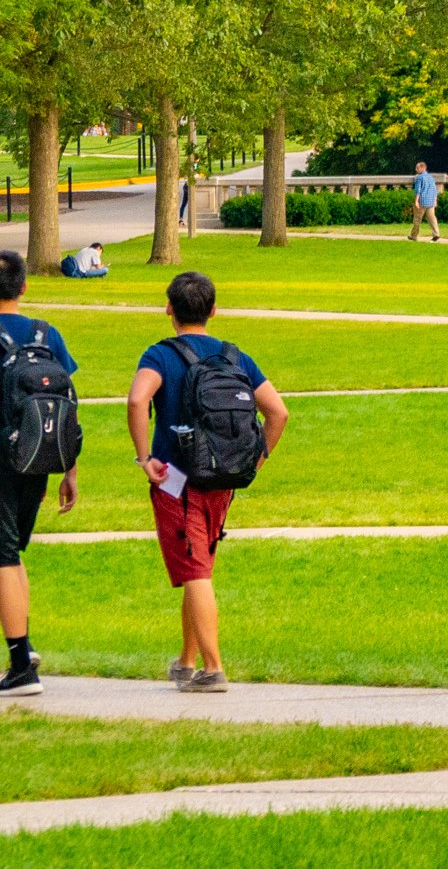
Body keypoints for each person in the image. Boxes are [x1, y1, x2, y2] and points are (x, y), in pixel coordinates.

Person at [127, 272, 290, 693]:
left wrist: (145, 458)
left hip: (175, 479)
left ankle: (213, 669)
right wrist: (256, 458)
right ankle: (187, 661)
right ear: (213, 310)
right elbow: (278, 413)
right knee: (197, 565)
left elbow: (136, 399)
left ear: (169, 309)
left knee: (195, 570)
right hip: (223, 477)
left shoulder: (159, 356)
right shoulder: (234, 358)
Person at [0, 253, 78, 696]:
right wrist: (69, 470)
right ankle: (24, 646)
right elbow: (67, 406)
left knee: (4, 557)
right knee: (11, 554)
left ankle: (20, 668)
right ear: (24, 287)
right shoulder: (46, 334)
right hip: (39, 459)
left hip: (1, 459)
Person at [407, 161, 442, 242]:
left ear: (423, 168)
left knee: (417, 219)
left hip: (422, 202)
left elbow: (418, 190)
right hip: (430, 202)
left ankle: (414, 235)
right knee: (432, 218)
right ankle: (436, 234)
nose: (416, 169)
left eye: (417, 168)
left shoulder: (419, 178)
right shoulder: (431, 177)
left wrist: (416, 201)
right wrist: (435, 201)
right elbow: (435, 190)